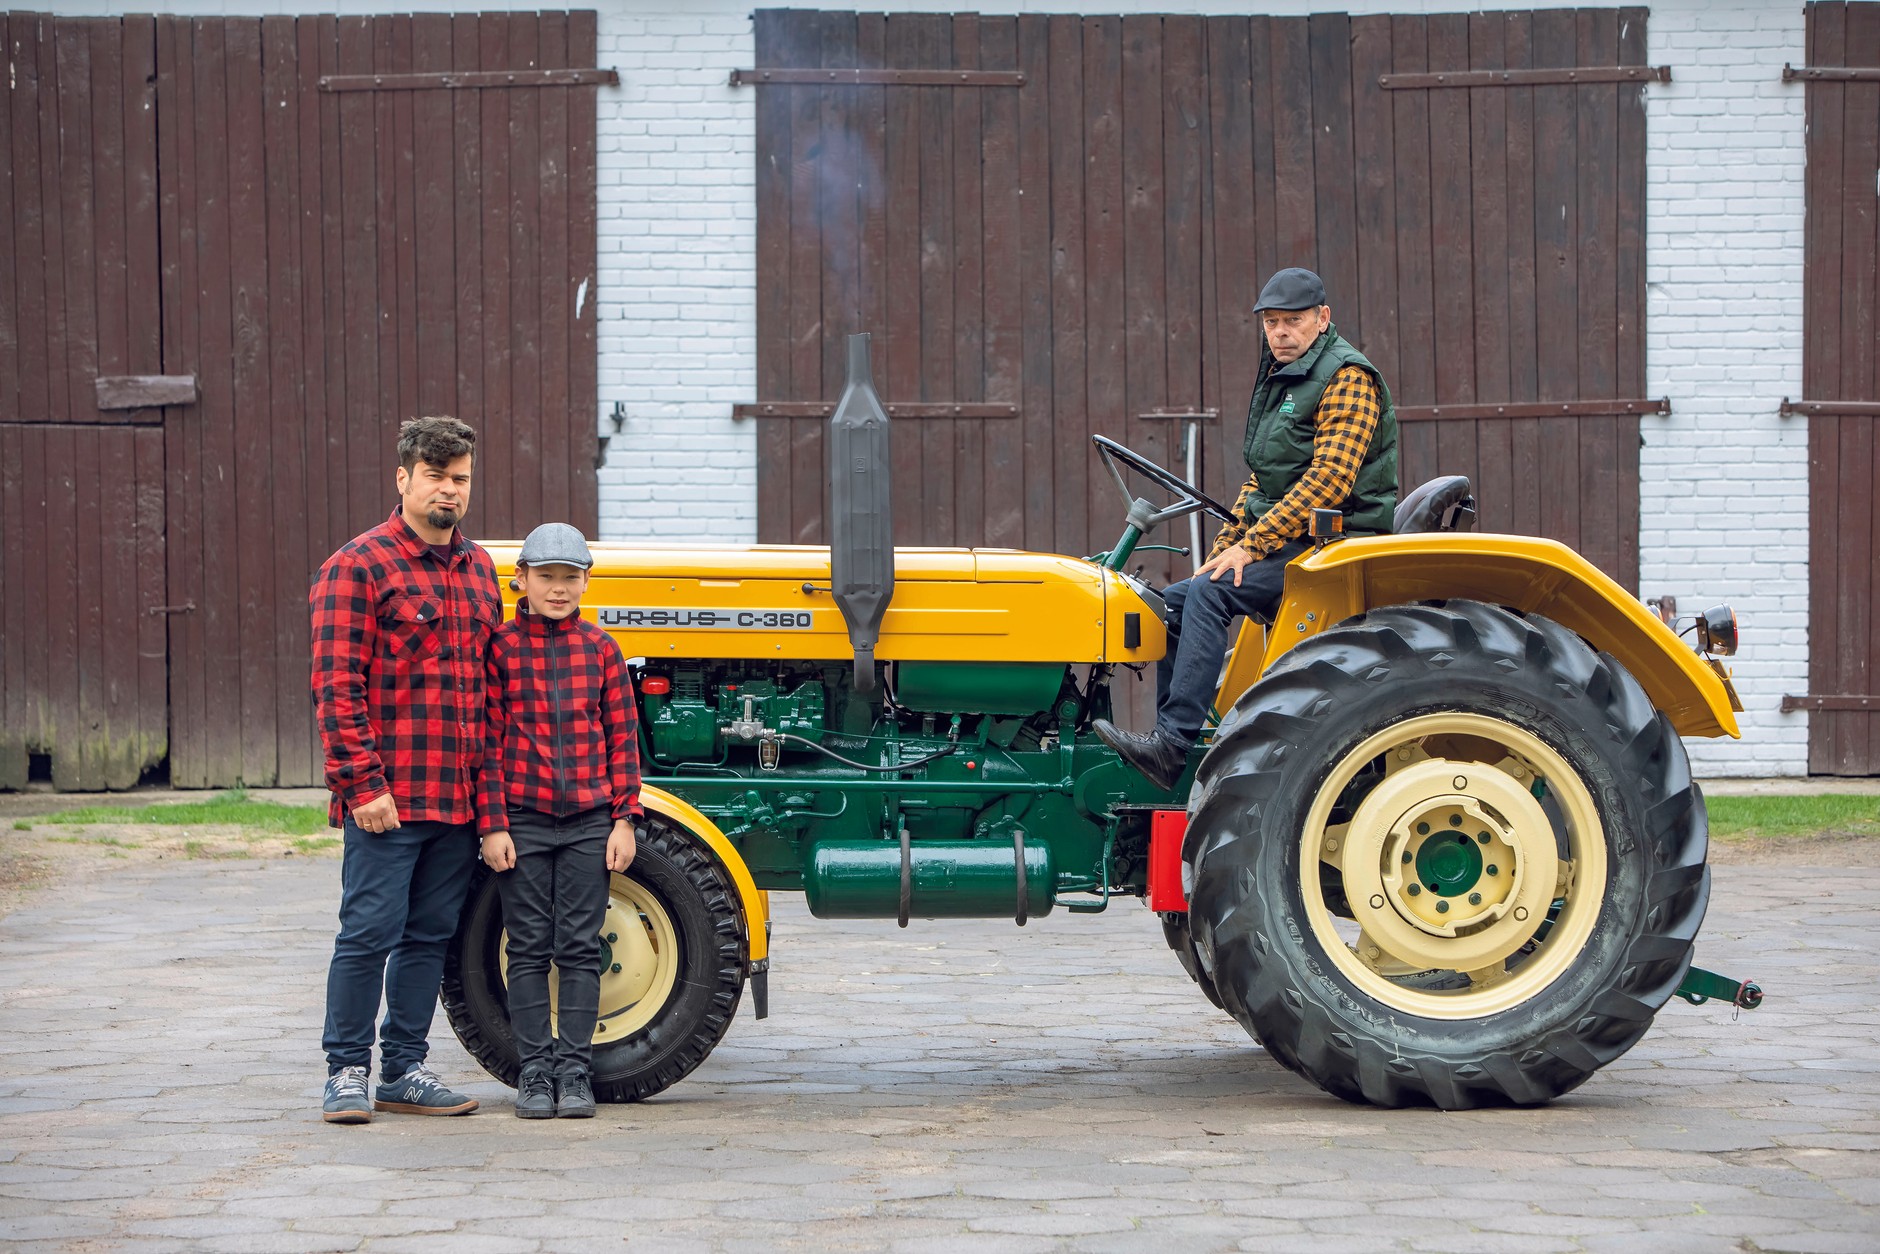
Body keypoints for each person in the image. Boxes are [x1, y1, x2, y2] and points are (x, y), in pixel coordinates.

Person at [1095, 267, 1399, 790]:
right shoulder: (1283, 376)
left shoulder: (1348, 377)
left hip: (1337, 543)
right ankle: (1172, 745)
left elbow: (1328, 479)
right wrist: (1231, 539)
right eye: (1272, 323)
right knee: (1170, 601)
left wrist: (1253, 544)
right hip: (1293, 538)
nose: (1280, 333)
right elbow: (1264, 476)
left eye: (1293, 321)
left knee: (1211, 595)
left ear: (1323, 318)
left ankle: (1173, 744)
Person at [311, 416, 501, 1124]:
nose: (449, 490)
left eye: (461, 479)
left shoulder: (480, 571)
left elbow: (490, 692)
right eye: (435, 476)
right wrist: (361, 785)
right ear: (403, 478)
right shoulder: (356, 567)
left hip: (457, 801)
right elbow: (336, 685)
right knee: (367, 933)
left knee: (429, 938)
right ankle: (344, 1071)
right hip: (388, 801)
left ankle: (404, 1069)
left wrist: (490, 799)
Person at [477, 523, 642, 1119]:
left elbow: (622, 739)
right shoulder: (499, 649)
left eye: (569, 578)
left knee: (577, 947)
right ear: (521, 579)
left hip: (588, 824)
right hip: (521, 819)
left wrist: (624, 818)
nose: (557, 588)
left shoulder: (600, 649)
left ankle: (574, 1073)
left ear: (585, 583)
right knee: (526, 949)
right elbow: (489, 744)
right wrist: (492, 824)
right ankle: (534, 1075)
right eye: (546, 576)